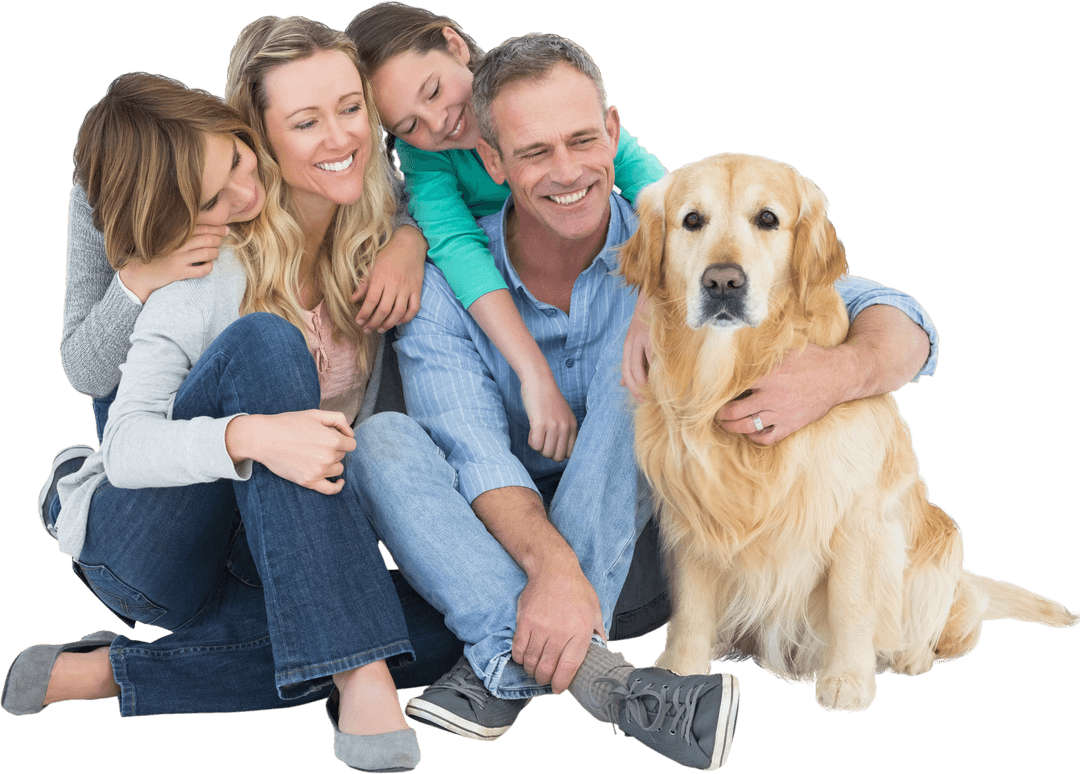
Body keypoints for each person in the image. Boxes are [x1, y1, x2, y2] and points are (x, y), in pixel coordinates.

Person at [350, 33, 940, 771]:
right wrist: (551, 573)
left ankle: (506, 659)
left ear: (614, 132)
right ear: (493, 162)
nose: (567, 172)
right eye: (534, 153)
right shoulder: (445, 281)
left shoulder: (685, 242)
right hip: (489, 549)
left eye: (582, 141)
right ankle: (612, 686)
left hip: (638, 563)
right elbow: (475, 456)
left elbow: (893, 313)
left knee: (637, 374)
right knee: (378, 441)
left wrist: (838, 372)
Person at [3, 18, 462, 772]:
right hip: (153, 536)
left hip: (273, 535)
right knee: (266, 344)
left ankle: (110, 672)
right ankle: (361, 674)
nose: (339, 133)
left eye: (352, 109)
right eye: (305, 121)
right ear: (264, 127)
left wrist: (411, 238)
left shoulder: (373, 211)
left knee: (461, 625)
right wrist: (246, 432)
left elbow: (418, 186)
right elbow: (106, 404)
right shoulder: (198, 255)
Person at [346, 1, 667, 464]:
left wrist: (653, 306)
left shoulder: (541, 96)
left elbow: (668, 199)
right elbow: (457, 247)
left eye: (433, 90)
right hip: (507, 303)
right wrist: (534, 374)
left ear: (455, 45)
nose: (437, 122)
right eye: (409, 125)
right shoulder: (426, 156)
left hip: (593, 288)